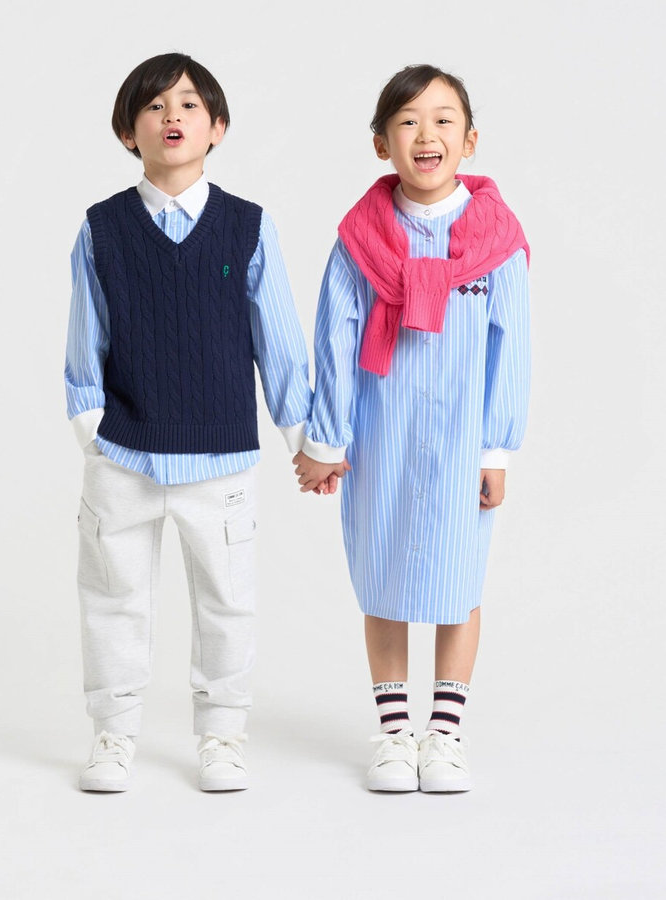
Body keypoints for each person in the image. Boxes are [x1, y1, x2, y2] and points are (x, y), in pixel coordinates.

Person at [65, 52, 312, 792]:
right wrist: (94, 431)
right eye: (153, 106)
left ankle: (223, 736)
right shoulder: (102, 228)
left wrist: (304, 439)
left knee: (227, 603)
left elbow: (279, 340)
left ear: (217, 127)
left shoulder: (247, 227)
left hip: (221, 458)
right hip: (124, 457)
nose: (171, 116)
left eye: (189, 105)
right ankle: (113, 735)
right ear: (127, 132)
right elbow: (86, 339)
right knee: (113, 600)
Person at [293, 64, 530, 792]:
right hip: (381, 435)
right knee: (383, 577)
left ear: (470, 140)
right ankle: (395, 735)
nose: (426, 134)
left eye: (443, 119)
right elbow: (334, 339)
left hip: (462, 438)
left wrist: (496, 449)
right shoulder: (359, 240)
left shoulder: (497, 241)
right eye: (407, 121)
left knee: (460, 577)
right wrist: (327, 441)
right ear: (381, 144)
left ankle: (445, 734)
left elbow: (511, 347)